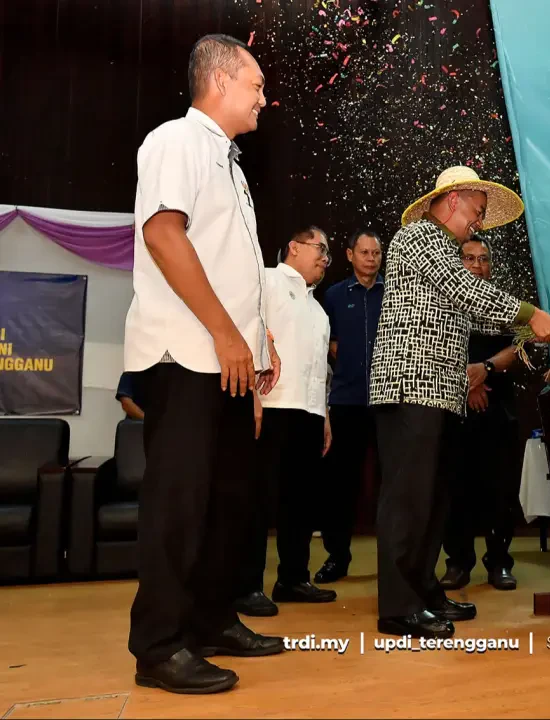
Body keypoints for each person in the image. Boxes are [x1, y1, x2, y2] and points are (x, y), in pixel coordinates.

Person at [123, 34, 283, 695]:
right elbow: (162, 232)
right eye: (255, 87)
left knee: (227, 505)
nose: (263, 100)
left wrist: (255, 346)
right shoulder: (177, 141)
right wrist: (225, 334)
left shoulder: (232, 167)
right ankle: (158, 645)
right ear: (220, 81)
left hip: (225, 363)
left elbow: (233, 267)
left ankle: (212, 621)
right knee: (180, 504)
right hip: (186, 354)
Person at [369, 165, 550, 639]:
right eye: (476, 212)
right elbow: (466, 292)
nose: (478, 222)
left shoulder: (442, 249)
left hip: (437, 393)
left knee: (432, 501)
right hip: (409, 386)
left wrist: (528, 330)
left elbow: (468, 315)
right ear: (452, 200)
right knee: (408, 500)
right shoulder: (421, 236)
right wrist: (529, 313)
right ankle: (398, 607)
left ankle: (423, 593)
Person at [234, 227, 340, 617]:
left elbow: (320, 371)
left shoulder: (319, 310)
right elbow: (246, 334)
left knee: (301, 502)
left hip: (310, 412)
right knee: (258, 500)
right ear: (293, 247)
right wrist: (252, 398)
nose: (326, 259)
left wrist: (325, 415)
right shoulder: (267, 280)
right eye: (320, 249)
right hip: (272, 406)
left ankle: (293, 578)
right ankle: (245, 585)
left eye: (329, 253)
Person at [440, 237, 522, 592]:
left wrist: (485, 369)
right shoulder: (443, 305)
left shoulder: (504, 305)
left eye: (484, 259)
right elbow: (437, 348)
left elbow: (519, 349)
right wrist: (469, 384)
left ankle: (499, 563)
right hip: (454, 409)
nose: (477, 265)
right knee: (454, 488)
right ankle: (458, 563)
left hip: (498, 411)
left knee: (500, 490)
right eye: (469, 258)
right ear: (458, 265)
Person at [315, 229, 384, 584]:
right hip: (346, 400)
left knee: (392, 485)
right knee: (340, 485)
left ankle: (395, 562)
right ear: (349, 255)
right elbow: (326, 341)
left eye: (376, 252)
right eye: (364, 252)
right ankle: (336, 557)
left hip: (388, 402)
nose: (371, 258)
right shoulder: (334, 295)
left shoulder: (394, 295)